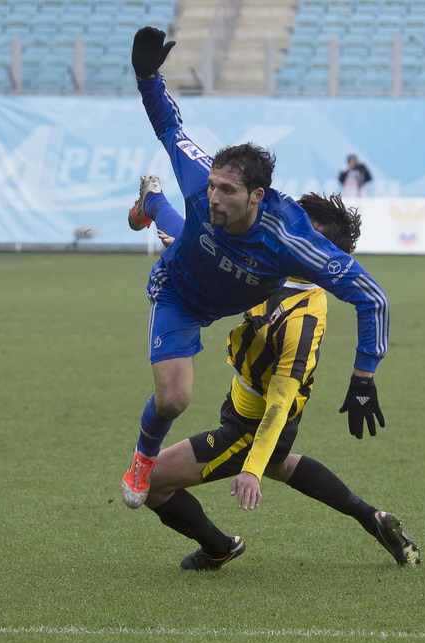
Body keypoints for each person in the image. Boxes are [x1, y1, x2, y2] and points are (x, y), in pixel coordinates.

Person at [121, 27, 389, 510]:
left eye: (227, 191)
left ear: (257, 196)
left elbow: (372, 296)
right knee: (173, 400)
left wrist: (364, 376)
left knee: (197, 236)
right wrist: (147, 77)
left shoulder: (291, 243)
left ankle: (152, 202)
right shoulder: (204, 180)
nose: (214, 195)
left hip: (217, 277)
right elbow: (169, 126)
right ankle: (142, 457)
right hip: (179, 291)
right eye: (214, 186)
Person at [130, 186, 420, 570]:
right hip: (245, 404)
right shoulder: (270, 267)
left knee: (153, 482)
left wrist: (250, 469)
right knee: (280, 463)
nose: (286, 232)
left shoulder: (304, 319)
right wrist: (179, 236)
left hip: (256, 422)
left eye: (301, 232)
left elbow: (279, 403)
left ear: (320, 252)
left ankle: (218, 547)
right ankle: (372, 518)